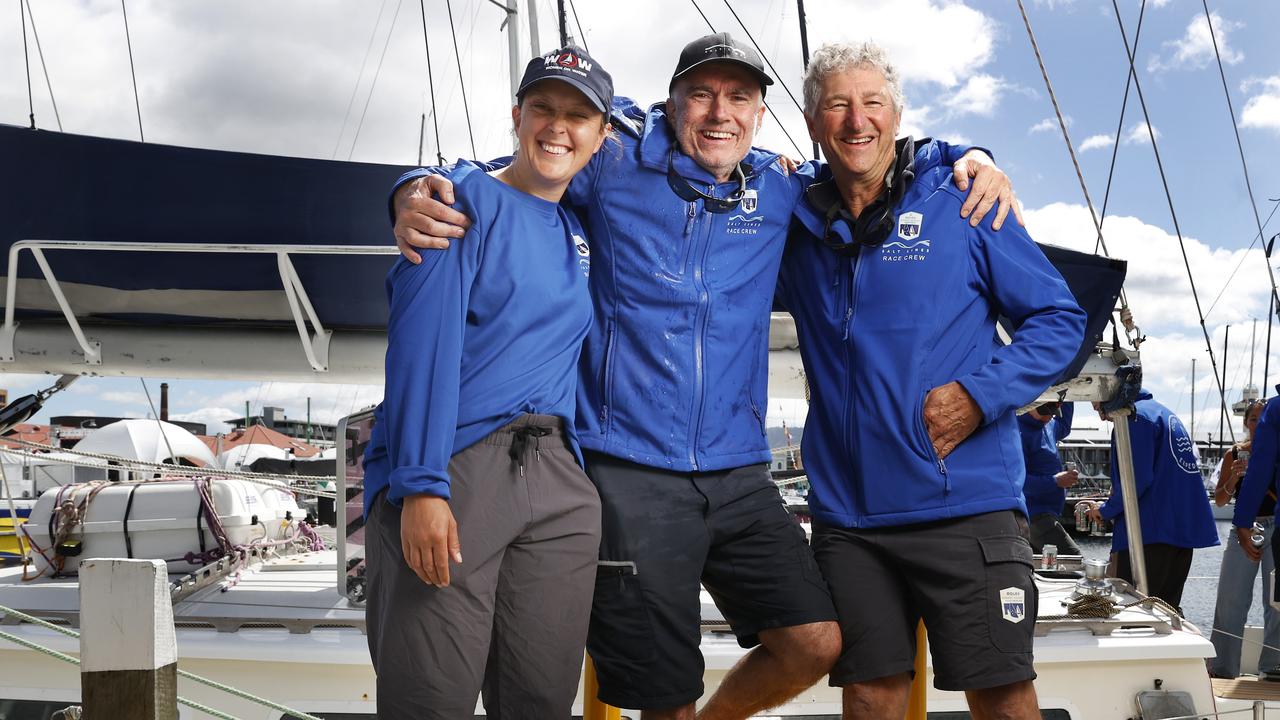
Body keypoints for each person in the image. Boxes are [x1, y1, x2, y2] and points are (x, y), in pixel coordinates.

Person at [390, 33, 1020, 719]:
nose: (720, 112)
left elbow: (873, 165)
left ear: (759, 114)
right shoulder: (611, 162)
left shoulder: (781, 187)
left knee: (815, 641)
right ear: (671, 104)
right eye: (702, 94)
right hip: (630, 467)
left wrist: (969, 156)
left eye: (739, 98)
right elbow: (523, 165)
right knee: (667, 695)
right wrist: (409, 191)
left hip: (738, 471)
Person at [778, 41, 1086, 720]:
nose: (857, 120)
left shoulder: (963, 200)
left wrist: (980, 396)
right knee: (867, 694)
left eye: (872, 103)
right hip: (848, 519)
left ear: (896, 116)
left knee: (1002, 695)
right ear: (811, 121)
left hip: (964, 507)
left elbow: (1060, 321)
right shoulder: (794, 217)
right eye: (837, 104)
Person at [361, 47, 613, 718]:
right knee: (430, 698)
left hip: (559, 480)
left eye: (578, 117)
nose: (558, 128)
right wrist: (419, 484)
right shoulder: (456, 201)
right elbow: (422, 347)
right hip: (457, 471)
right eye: (544, 110)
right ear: (517, 117)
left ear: (602, 134)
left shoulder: (576, 226)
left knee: (540, 700)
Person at [1087, 390, 1219, 613]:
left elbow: (1136, 480)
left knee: (1133, 614)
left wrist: (1105, 511)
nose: (1102, 417)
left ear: (1109, 393)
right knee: (1166, 612)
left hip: (1149, 536)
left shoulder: (1134, 418)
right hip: (1179, 536)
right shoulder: (1165, 414)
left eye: (1099, 408)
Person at [1229, 397, 1280, 679]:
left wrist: (1242, 521)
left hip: (1267, 524)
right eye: (1252, 419)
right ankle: (1225, 667)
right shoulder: (1235, 454)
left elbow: (1260, 471)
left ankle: (1272, 667)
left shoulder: (1278, 409)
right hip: (1261, 525)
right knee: (1234, 600)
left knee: (1275, 604)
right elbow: (1223, 496)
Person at [1019, 401, 1081, 555]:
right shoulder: (1017, 432)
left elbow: (1064, 424)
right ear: (1030, 406)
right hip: (1034, 515)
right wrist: (1056, 481)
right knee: (1074, 560)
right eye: (1046, 412)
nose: (1048, 417)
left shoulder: (1050, 424)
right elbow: (1019, 481)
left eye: (1053, 413)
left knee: (1043, 570)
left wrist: (1068, 391)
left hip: (1047, 514)